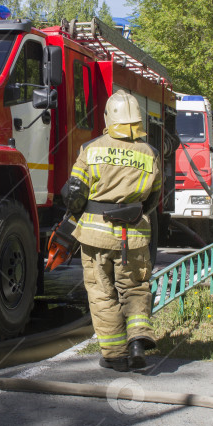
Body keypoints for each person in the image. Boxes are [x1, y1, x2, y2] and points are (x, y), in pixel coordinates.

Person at [63, 90, 161, 372]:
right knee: (135, 287)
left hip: (95, 237)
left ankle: (116, 356)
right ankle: (138, 337)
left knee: (102, 293)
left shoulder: (90, 149)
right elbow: (152, 201)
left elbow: (75, 195)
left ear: (108, 118)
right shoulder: (150, 152)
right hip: (135, 237)